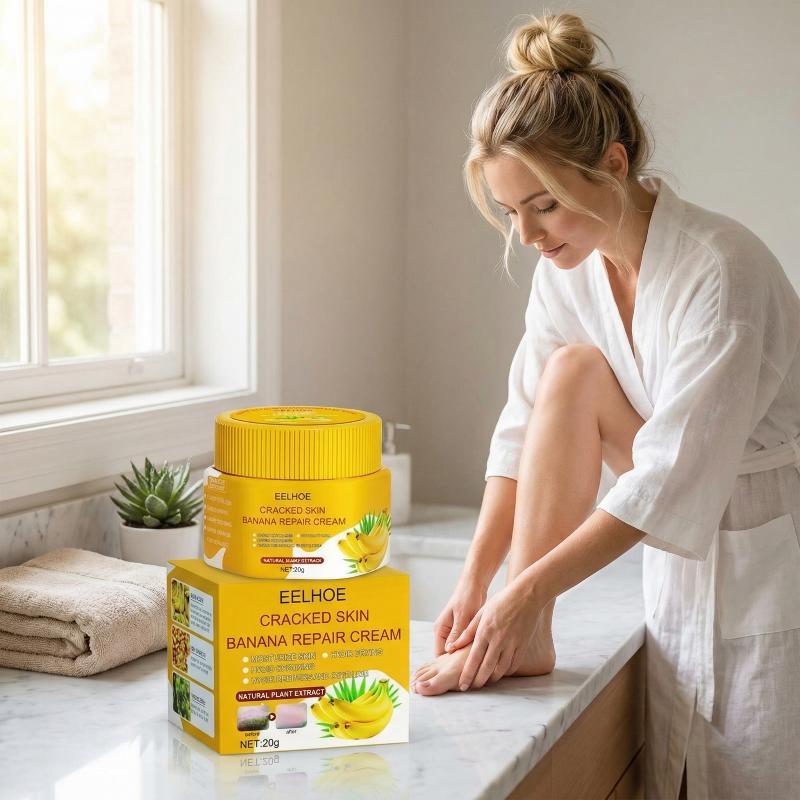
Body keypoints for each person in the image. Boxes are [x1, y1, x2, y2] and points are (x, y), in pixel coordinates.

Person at [410, 11, 800, 800]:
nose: (527, 234)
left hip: (759, 543)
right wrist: (478, 583)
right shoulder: (572, 271)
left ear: (612, 165)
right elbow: (524, 427)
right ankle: (533, 640)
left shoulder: (720, 272)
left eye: (543, 205)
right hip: (674, 542)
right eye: (511, 212)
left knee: (751, 775)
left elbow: (665, 475)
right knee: (570, 373)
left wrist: (526, 592)